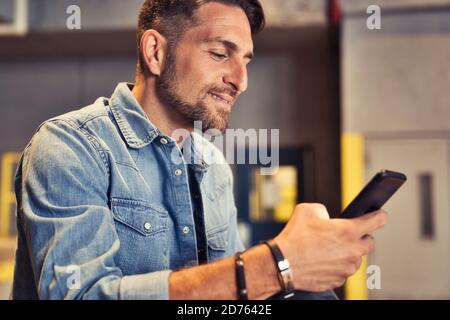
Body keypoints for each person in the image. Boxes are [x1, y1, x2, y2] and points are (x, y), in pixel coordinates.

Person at [12, 0, 387, 300]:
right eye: (221, 54)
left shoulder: (213, 165)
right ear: (155, 52)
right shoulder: (70, 146)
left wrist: (297, 281)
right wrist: (272, 264)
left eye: (245, 61)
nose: (240, 81)